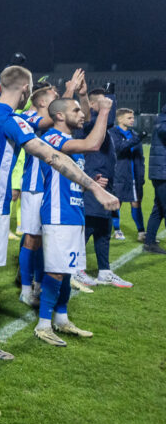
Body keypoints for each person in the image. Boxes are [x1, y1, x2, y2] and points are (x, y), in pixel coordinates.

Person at [0, 65, 119, 360]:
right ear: (25, 90)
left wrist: (69, 94)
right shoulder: (11, 120)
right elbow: (52, 155)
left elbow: (41, 118)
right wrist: (95, 188)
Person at [34, 97, 113, 346]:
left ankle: (62, 319)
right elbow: (93, 144)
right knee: (56, 271)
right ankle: (43, 325)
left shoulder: (65, 142)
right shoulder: (54, 138)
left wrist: (90, 184)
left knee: (67, 271)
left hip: (73, 212)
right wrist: (105, 111)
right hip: (59, 214)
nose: (82, 115)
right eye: (75, 110)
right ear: (59, 116)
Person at [76, 85, 133, 288]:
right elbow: (107, 118)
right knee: (88, 228)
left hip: (105, 185)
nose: (107, 106)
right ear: (91, 105)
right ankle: (75, 269)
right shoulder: (90, 124)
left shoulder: (102, 128)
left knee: (103, 229)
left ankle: (105, 271)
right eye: (103, 102)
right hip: (93, 184)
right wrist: (111, 95)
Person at [15, 82, 60, 306]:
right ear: (42, 102)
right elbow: (53, 119)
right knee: (32, 238)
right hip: (34, 185)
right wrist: (69, 94)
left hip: (49, 186)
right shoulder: (29, 116)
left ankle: (39, 285)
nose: (59, 99)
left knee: (44, 240)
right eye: (55, 97)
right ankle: (25, 289)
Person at [110, 108, 146, 242]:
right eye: (129, 118)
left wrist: (141, 176)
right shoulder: (113, 133)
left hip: (134, 176)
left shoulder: (134, 134)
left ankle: (141, 232)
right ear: (120, 119)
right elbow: (119, 148)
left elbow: (140, 157)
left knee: (136, 203)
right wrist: (137, 139)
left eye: (133, 118)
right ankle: (117, 230)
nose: (133, 120)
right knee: (116, 202)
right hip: (119, 174)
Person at [143, 103, 166, 254]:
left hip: (161, 171)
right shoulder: (162, 121)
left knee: (158, 209)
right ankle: (149, 242)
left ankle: (149, 242)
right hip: (162, 172)